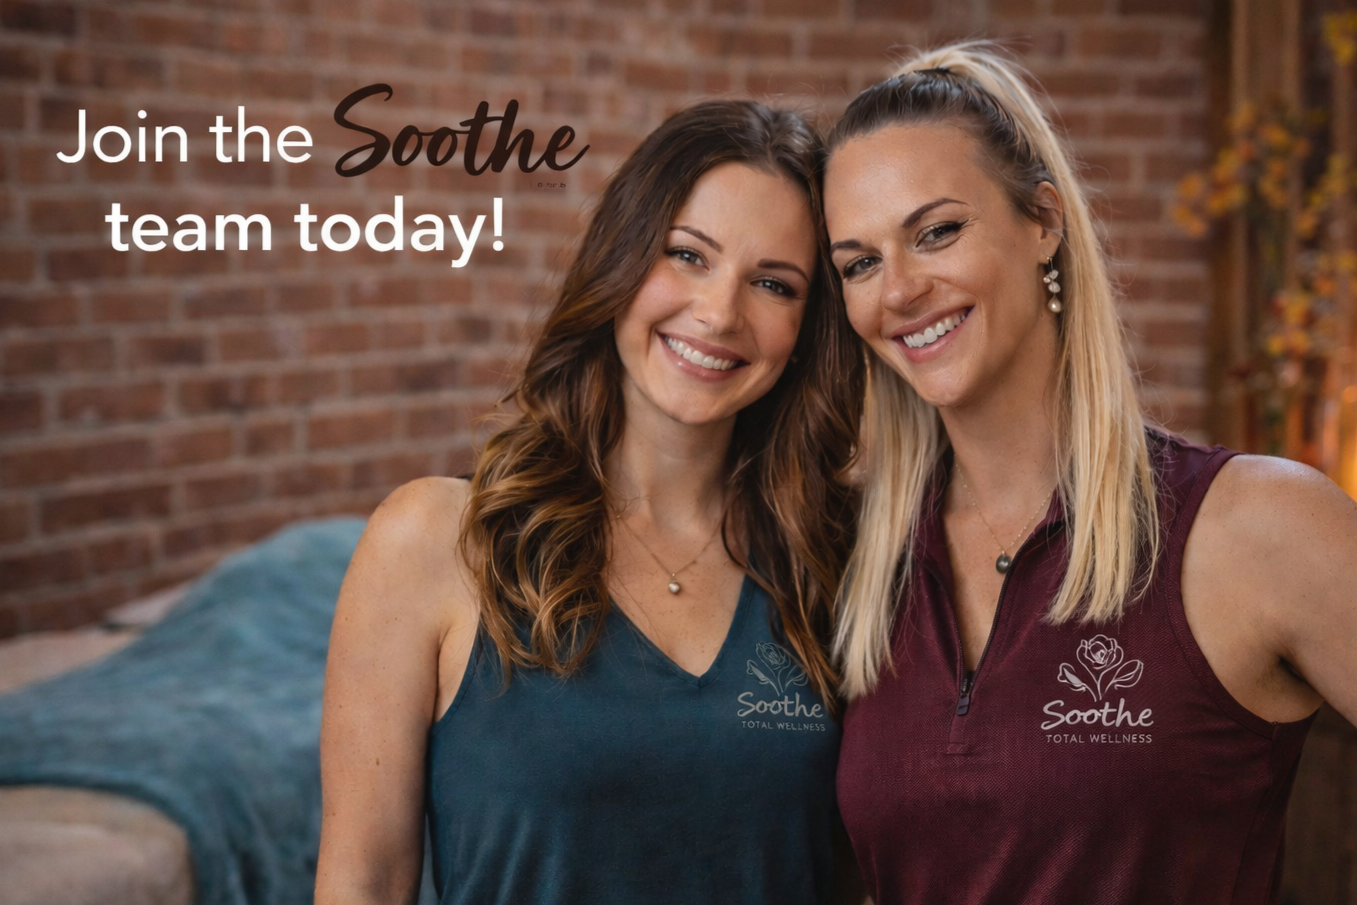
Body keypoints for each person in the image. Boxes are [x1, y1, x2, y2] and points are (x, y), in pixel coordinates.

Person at [821, 41, 1357, 905]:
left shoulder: (1253, 526)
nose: (899, 290)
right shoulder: (862, 567)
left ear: (1042, 221)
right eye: (859, 263)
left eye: (937, 232)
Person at [314, 99, 866, 905]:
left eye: (773, 283)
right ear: (621, 256)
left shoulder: (840, 555)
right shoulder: (432, 542)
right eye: (686, 254)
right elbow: (361, 882)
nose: (718, 313)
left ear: (806, 323)